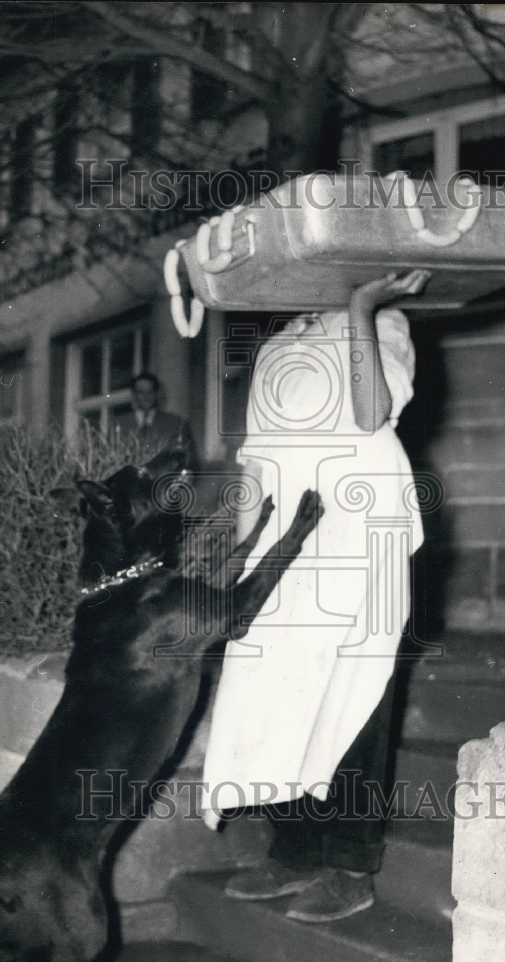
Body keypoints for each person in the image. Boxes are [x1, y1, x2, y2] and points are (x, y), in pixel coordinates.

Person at [201, 270, 427, 923]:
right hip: (283, 534)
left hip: (359, 521)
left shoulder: (382, 323)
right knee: (274, 682)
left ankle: (351, 862)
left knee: (353, 684)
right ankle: (295, 848)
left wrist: (361, 306)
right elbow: (257, 459)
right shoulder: (274, 346)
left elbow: (371, 413)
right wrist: (243, 563)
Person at [115, 371, 199, 467]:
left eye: (150, 391)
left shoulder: (176, 423)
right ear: (134, 395)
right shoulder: (119, 424)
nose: (146, 397)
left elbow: (190, 463)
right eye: (141, 392)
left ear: (156, 394)